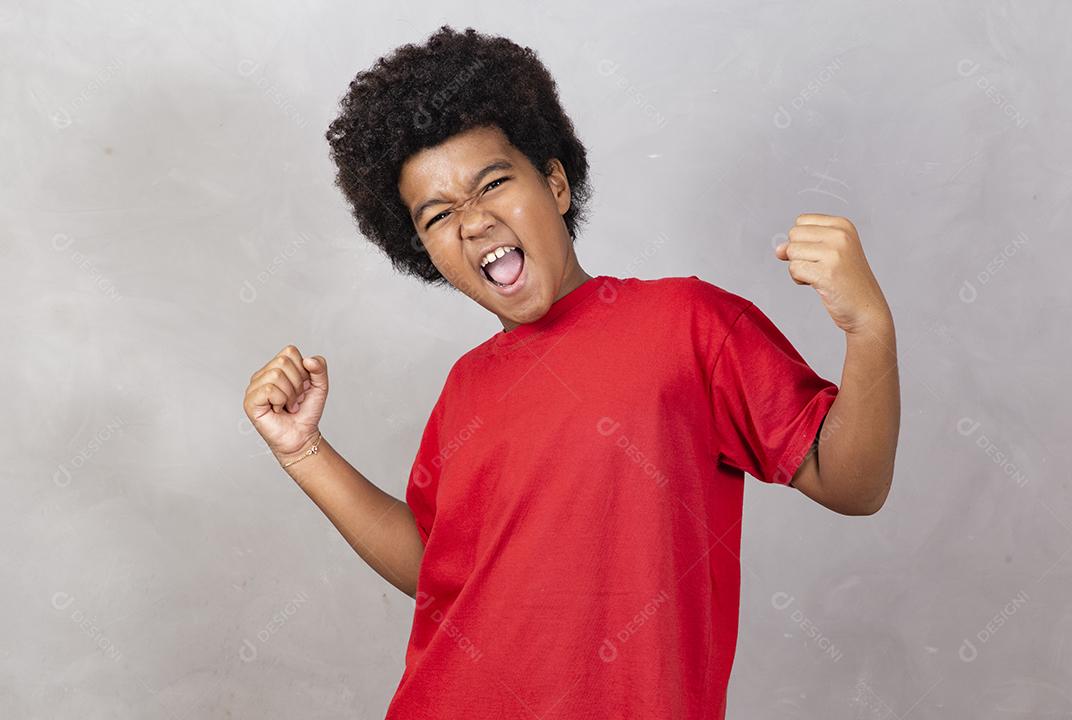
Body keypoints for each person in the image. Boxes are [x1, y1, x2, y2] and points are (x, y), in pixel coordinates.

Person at [242, 24, 899, 719]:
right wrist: (303, 452)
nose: (472, 222)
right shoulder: (467, 387)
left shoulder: (688, 322)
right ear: (424, 250)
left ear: (554, 182)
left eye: (493, 182)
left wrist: (870, 330)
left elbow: (851, 482)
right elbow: (442, 571)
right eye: (438, 216)